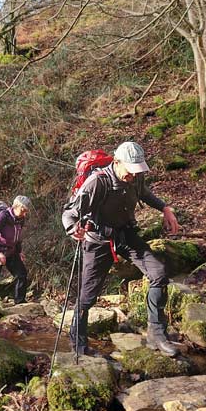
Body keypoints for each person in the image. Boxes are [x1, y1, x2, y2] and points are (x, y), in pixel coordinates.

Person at [62, 141, 181, 356]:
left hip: (125, 235)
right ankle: (78, 345)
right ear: (116, 162)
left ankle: (156, 334)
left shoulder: (136, 177)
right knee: (87, 297)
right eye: (130, 170)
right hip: (98, 241)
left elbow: (143, 192)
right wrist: (73, 228)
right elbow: (70, 212)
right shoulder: (97, 182)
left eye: (137, 171)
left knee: (158, 273)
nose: (133, 175)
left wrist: (165, 208)